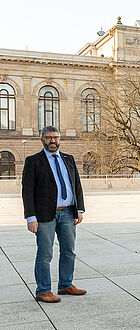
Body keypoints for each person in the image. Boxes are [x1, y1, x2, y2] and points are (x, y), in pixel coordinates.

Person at [22, 126, 86, 303]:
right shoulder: (33, 161)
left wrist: (79, 209)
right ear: (42, 140)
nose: (53, 141)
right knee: (45, 253)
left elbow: (77, 186)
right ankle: (43, 290)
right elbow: (27, 191)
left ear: (59, 140)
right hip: (44, 215)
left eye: (56, 138)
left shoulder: (68, 159)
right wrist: (30, 217)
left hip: (67, 213)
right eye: (49, 138)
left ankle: (65, 284)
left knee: (69, 251)